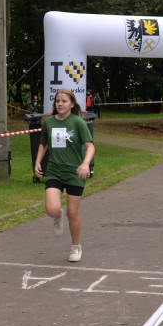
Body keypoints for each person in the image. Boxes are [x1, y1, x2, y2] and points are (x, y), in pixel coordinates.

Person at [34, 88, 95, 263]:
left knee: (72, 212)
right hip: (54, 171)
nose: (60, 104)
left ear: (72, 104)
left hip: (75, 172)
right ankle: (57, 217)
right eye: (57, 101)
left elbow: (90, 146)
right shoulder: (49, 122)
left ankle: (76, 247)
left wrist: (85, 164)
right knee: (52, 209)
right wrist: (38, 161)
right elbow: (43, 143)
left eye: (64, 101)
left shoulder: (78, 122)